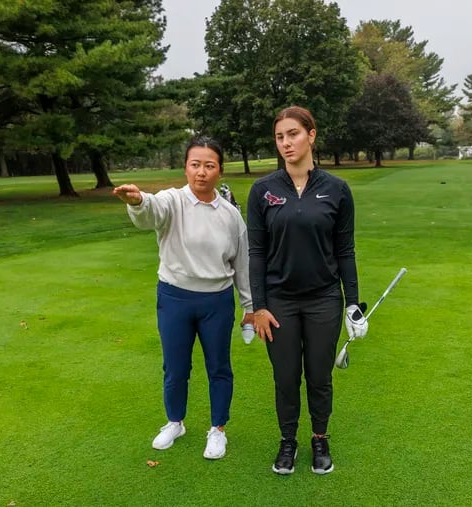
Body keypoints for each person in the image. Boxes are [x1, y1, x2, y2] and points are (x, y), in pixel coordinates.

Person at [113, 136, 254, 460]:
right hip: (174, 297)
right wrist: (137, 201)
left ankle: (217, 429)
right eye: (195, 164)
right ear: (185, 168)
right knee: (175, 367)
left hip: (216, 301)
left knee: (219, 367)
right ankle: (175, 422)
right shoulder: (172, 201)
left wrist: (249, 306)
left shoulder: (231, 215)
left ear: (219, 170)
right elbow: (151, 210)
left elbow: (242, 264)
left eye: (209, 165)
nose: (201, 172)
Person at [246, 106, 368, 475]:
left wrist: (352, 305)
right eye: (280, 137)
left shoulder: (336, 190)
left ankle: (319, 438)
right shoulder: (263, 191)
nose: (286, 143)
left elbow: (345, 251)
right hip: (279, 302)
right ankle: (287, 442)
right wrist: (259, 307)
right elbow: (257, 253)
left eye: (293, 134)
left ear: (311, 135)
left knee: (318, 376)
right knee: (285, 378)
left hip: (323, 300)